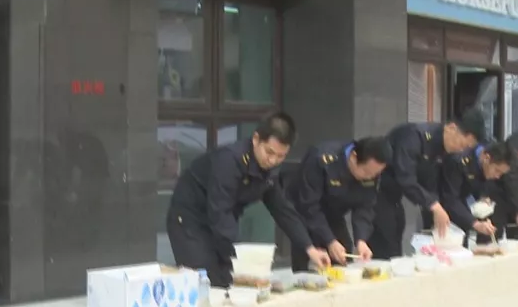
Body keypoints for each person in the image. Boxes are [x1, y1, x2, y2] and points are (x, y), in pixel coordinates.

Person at [165, 112, 331, 287]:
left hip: (220, 221)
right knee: (204, 281)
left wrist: (309, 248)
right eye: (269, 152)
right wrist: (242, 258)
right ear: (256, 139)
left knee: (229, 280)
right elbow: (220, 212)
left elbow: (282, 210)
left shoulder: (269, 169)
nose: (273, 160)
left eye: (281, 156)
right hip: (190, 219)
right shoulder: (229, 161)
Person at [369, 109, 487, 259]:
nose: (461, 150)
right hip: (375, 192)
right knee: (386, 242)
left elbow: (432, 184)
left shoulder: (443, 151)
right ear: (451, 128)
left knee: (397, 234)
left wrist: (436, 211)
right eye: (462, 145)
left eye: (466, 148)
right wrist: (434, 205)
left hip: (395, 197)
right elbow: (406, 178)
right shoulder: (414, 136)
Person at [284, 137, 392, 271]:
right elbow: (309, 206)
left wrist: (361, 240)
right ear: (354, 157)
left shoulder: (372, 171)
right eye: (366, 172)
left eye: (375, 174)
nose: (370, 177)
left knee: (343, 260)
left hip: (334, 215)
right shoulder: (321, 159)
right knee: (306, 265)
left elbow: (365, 206)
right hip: (304, 213)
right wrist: (329, 240)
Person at [439, 141, 514, 247]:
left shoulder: (484, 166)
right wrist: (475, 223)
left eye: (501, 174)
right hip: (439, 206)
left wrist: (482, 197)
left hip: (460, 205)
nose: (497, 176)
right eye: (497, 171)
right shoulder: (459, 161)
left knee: (462, 246)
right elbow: (450, 198)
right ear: (486, 158)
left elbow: (477, 183)